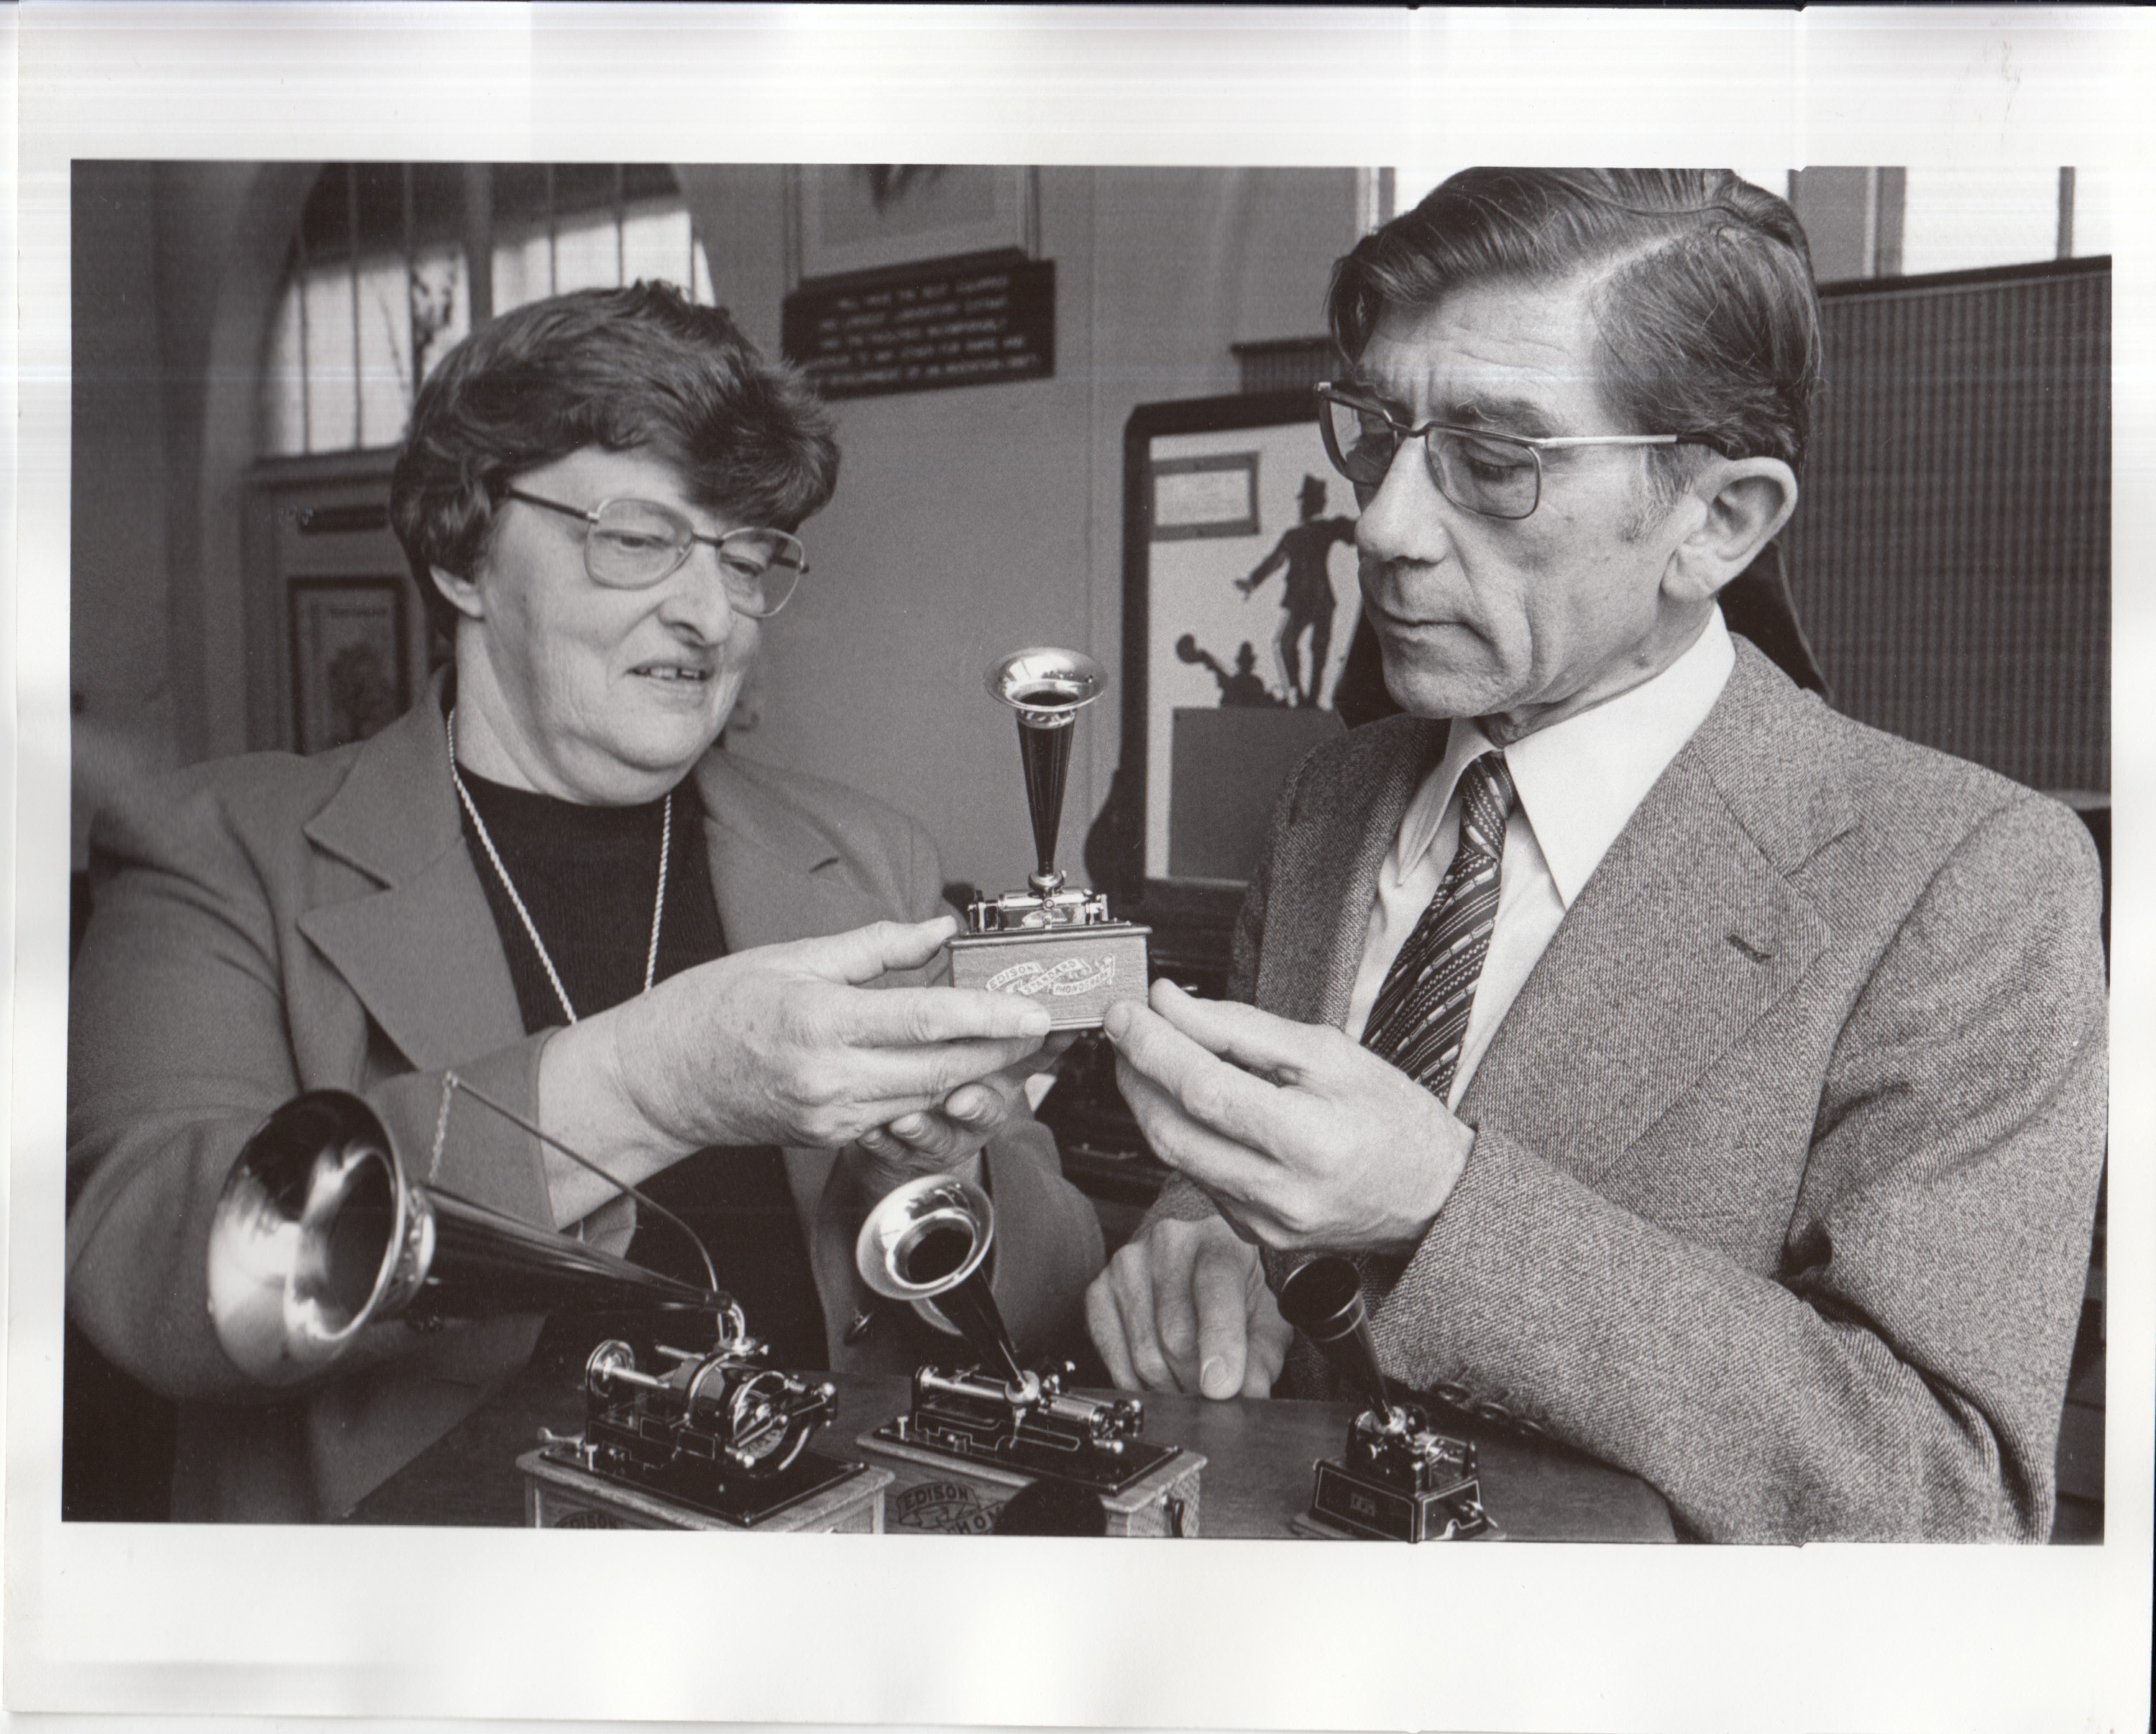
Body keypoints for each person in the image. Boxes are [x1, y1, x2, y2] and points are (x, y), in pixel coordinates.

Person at [1086, 170, 2106, 1542]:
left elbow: (1944, 1493)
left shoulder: (1966, 881)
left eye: (1493, 462)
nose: (1380, 527)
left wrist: (1439, 1206)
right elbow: (1241, 1175)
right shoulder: (1331, 796)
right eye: (1371, 434)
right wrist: (1194, 1233)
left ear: (1715, 522)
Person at [66, 283, 1104, 1522]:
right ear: (462, 552)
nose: (710, 613)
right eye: (638, 538)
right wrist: (648, 1080)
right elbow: (160, 1275)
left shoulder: (863, 852)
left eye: (743, 554)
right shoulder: (220, 848)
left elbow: (1050, 1293)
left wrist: (934, 1170)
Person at [1234, 474, 1358, 707]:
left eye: (1305, 502)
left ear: (1312, 504)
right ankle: (1301, 696)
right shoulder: (1300, 534)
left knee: (1313, 648)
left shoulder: (1321, 529)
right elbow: (1274, 562)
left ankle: (1308, 698)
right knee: (1291, 645)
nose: (1301, 506)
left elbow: (1350, 530)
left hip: (1314, 600)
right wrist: (1251, 582)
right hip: (1311, 600)